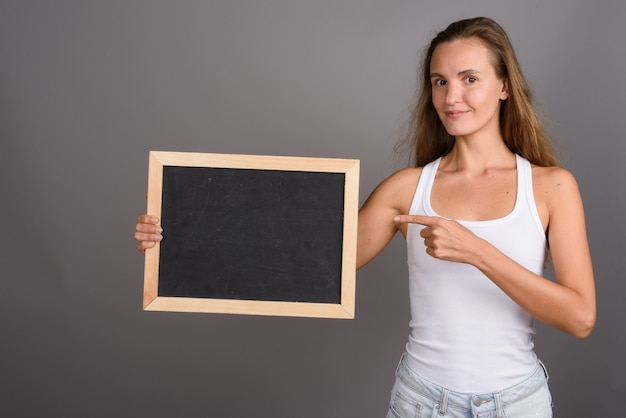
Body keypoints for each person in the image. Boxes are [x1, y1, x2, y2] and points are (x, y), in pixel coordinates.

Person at [135, 17, 595, 418]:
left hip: (517, 405)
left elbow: (580, 318)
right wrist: (177, 237)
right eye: (439, 81)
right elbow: (302, 264)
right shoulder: (407, 190)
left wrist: (476, 251)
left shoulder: (552, 187)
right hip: (421, 402)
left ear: (504, 86)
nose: (452, 96)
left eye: (469, 79)